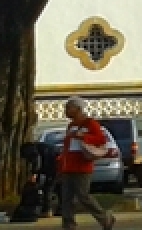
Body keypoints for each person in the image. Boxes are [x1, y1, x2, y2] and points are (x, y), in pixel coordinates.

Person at [58, 97, 115, 229]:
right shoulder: (71, 125)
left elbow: (100, 140)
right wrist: (61, 165)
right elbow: (67, 147)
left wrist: (83, 136)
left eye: (69, 108)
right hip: (68, 166)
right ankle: (68, 224)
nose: (66, 111)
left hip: (82, 166)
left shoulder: (91, 124)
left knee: (83, 196)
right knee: (66, 198)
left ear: (78, 109)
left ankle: (105, 218)